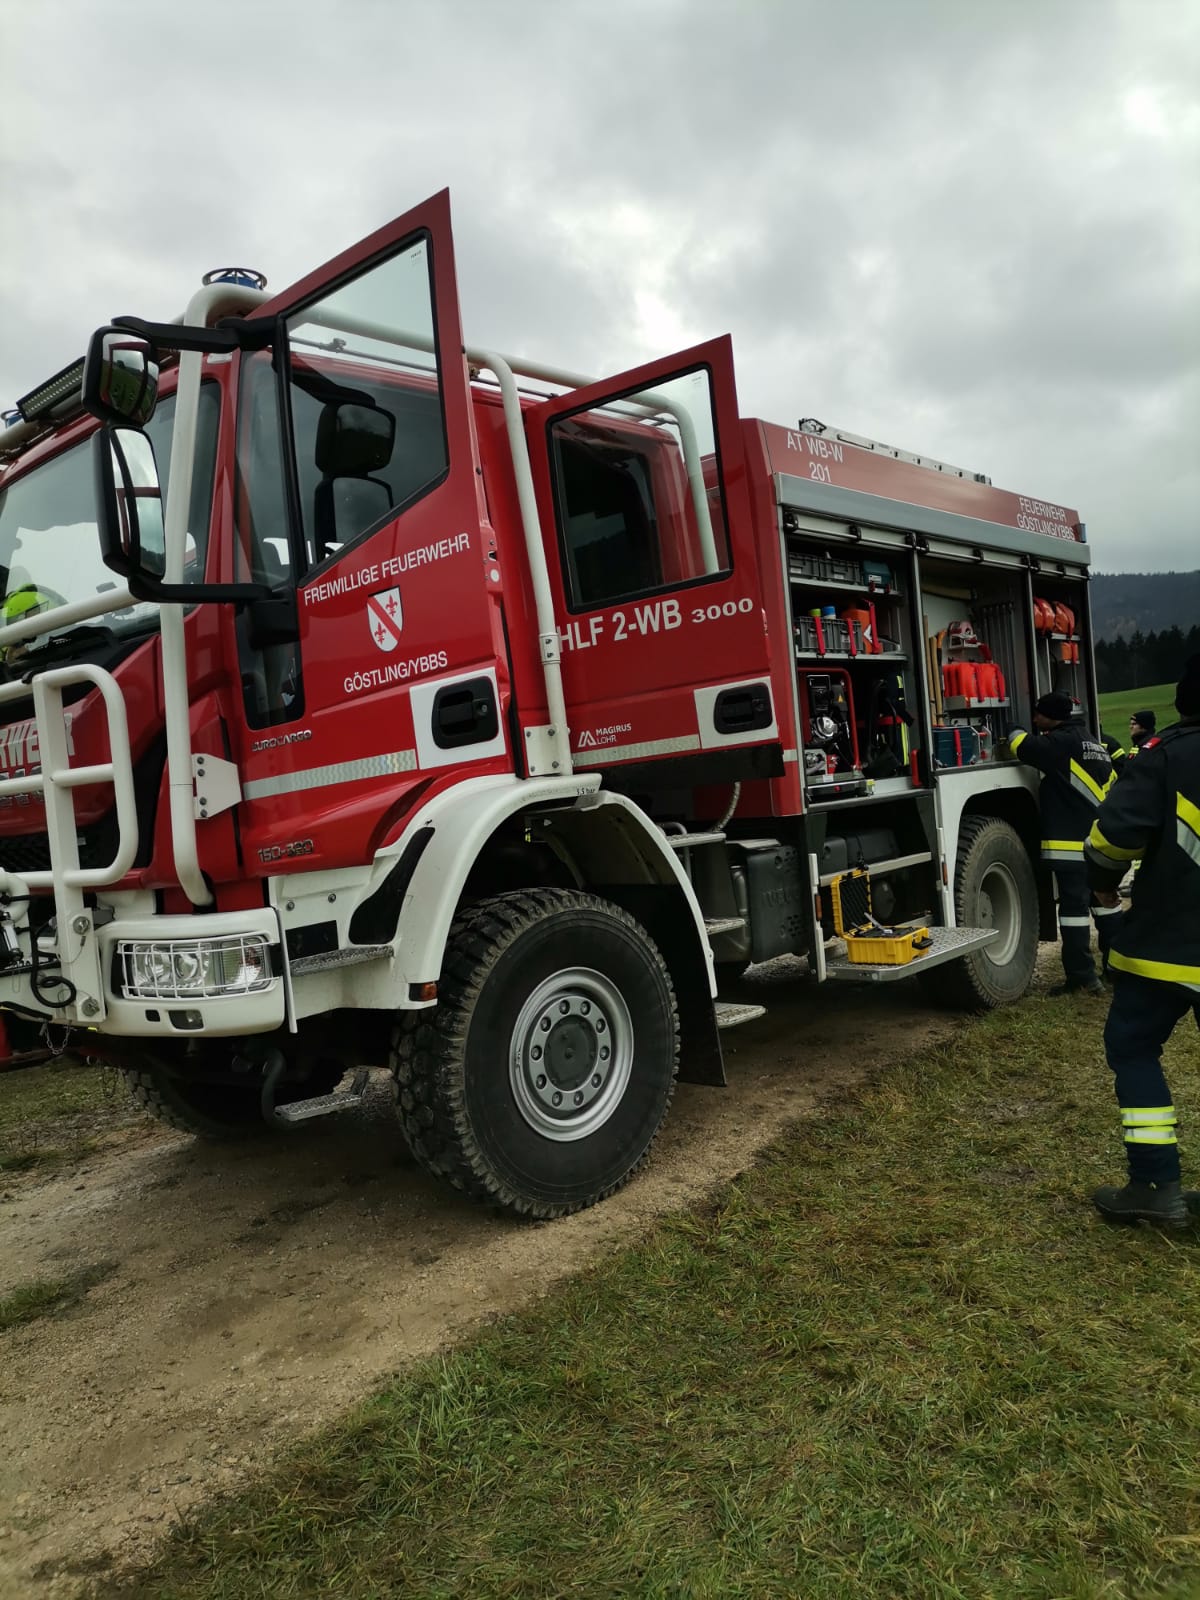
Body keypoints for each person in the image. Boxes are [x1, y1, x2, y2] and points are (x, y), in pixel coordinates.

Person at [1084, 656, 1200, 1227]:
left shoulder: (1164, 756)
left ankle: (1156, 1187)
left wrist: (1103, 885)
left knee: (1132, 1047)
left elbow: (1111, 840)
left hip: (1169, 944)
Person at [1007, 692, 1116, 996]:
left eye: (1038, 714)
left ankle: (1082, 978)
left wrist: (1011, 725)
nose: (1035, 719)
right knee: (1106, 907)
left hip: (1073, 847)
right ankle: (1117, 971)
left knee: (1074, 912)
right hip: (1100, 844)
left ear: (1051, 717)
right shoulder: (1093, 744)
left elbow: (1021, 745)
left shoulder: (1059, 743)